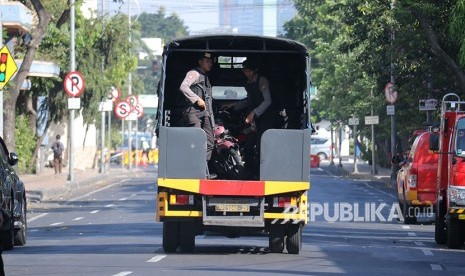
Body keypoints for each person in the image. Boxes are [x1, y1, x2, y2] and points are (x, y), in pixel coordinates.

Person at [224, 58, 277, 178]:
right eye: (244, 70)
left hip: (267, 119)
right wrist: (234, 105)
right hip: (256, 121)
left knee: (261, 147)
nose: (245, 73)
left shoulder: (262, 81)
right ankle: (248, 172)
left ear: (255, 70)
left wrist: (253, 113)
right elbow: (250, 100)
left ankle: (260, 174)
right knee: (248, 146)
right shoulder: (248, 83)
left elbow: (267, 101)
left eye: (248, 71)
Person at [179, 52, 215, 177]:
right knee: (197, 141)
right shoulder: (194, 73)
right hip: (193, 112)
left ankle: (202, 169)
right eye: (206, 61)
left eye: (210, 62)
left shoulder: (205, 77)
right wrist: (196, 99)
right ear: (200, 62)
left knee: (210, 141)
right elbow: (183, 87)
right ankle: (195, 171)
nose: (209, 64)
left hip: (204, 113)